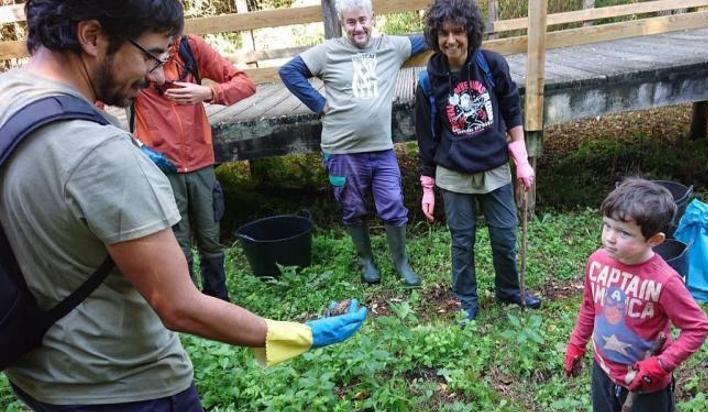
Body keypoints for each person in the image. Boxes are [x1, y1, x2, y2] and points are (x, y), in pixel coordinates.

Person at [0, 1, 366, 412]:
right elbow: (179, 305)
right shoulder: (97, 153)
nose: (154, 75)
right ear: (91, 36)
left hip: (48, 384)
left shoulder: (11, 98)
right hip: (132, 399)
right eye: (150, 55)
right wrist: (295, 333)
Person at [563, 179, 708, 412]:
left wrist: (659, 366)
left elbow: (697, 328)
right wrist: (576, 346)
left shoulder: (664, 281)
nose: (611, 239)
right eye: (607, 227)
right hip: (603, 368)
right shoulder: (597, 263)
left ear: (654, 240)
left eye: (624, 233)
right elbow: (590, 307)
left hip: (646, 382)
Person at [278, 0, 426, 287]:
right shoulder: (328, 52)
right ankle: (367, 261)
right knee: (352, 207)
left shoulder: (392, 46)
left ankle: (401, 263)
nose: (358, 27)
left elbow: (431, 38)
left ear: (372, 18)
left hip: (381, 149)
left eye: (362, 20)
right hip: (342, 150)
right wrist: (318, 103)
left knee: (393, 204)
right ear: (342, 23)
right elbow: (289, 72)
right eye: (350, 22)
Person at [415, 0, 539, 321]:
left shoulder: (493, 65)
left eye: (458, 31)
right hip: (453, 174)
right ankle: (466, 301)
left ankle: (510, 292)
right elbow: (427, 136)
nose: (451, 40)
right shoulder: (428, 81)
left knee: (504, 235)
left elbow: (512, 110)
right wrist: (428, 185)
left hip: (495, 168)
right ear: (435, 36)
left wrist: (522, 159)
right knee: (462, 242)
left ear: (471, 31)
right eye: (443, 33)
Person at [132, 33, 256, 301]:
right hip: (162, 168)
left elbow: (246, 84)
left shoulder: (190, 47)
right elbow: (94, 100)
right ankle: (187, 304)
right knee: (177, 245)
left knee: (211, 239)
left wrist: (209, 92)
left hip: (201, 163)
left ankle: (218, 300)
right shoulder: (132, 51)